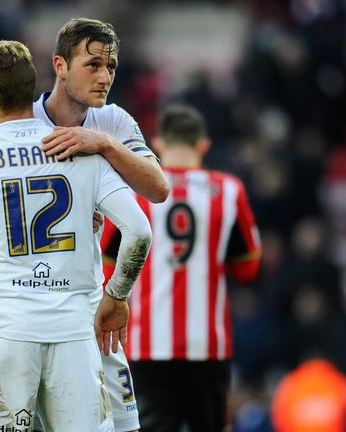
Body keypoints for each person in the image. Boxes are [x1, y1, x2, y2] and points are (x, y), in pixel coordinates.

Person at [0, 40, 151, 431]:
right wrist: (117, 296)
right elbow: (139, 231)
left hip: (3, 334)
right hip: (76, 337)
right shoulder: (79, 149)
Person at [35, 17, 169, 432]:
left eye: (110, 66)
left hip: (91, 302)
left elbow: (158, 188)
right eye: (92, 65)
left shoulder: (111, 121)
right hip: (34, 309)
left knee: (127, 425)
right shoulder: (23, 126)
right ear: (60, 65)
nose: (104, 76)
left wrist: (104, 145)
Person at [102, 105, 262, 431]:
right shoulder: (229, 191)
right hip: (207, 343)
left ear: (158, 144)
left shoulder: (133, 191)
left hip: (147, 343)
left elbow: (106, 264)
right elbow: (248, 268)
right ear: (203, 145)